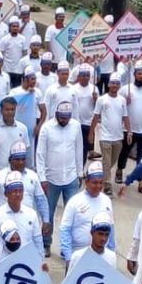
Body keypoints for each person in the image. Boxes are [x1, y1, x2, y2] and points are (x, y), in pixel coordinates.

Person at [0, 143, 49, 256]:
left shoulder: (33, 176)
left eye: (23, 159)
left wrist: (46, 220)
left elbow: (41, 200)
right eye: (17, 159)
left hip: (26, 221)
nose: (20, 162)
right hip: (4, 224)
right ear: (10, 160)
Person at [37, 101, 85, 251]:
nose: (65, 120)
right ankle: (46, 243)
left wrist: (79, 173)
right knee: (48, 214)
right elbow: (40, 154)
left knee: (72, 215)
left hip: (70, 177)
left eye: (67, 117)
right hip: (51, 179)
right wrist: (42, 178)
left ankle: (68, 247)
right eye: (62, 117)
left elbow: (79, 149)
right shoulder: (46, 128)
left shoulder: (75, 126)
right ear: (56, 114)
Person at [116, 60, 142, 194]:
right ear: (134, 74)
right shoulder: (124, 90)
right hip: (129, 129)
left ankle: (141, 183)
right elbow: (118, 108)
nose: (141, 76)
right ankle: (120, 169)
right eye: (139, 74)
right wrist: (124, 102)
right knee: (124, 151)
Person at [90, 76, 130, 195]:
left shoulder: (122, 100)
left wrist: (129, 132)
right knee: (107, 163)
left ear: (119, 86)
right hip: (105, 136)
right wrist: (91, 133)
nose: (114, 85)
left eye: (117, 83)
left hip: (118, 137)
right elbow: (96, 116)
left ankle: (94, 172)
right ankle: (107, 185)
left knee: (111, 162)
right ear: (108, 85)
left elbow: (125, 117)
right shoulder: (102, 100)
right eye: (112, 83)